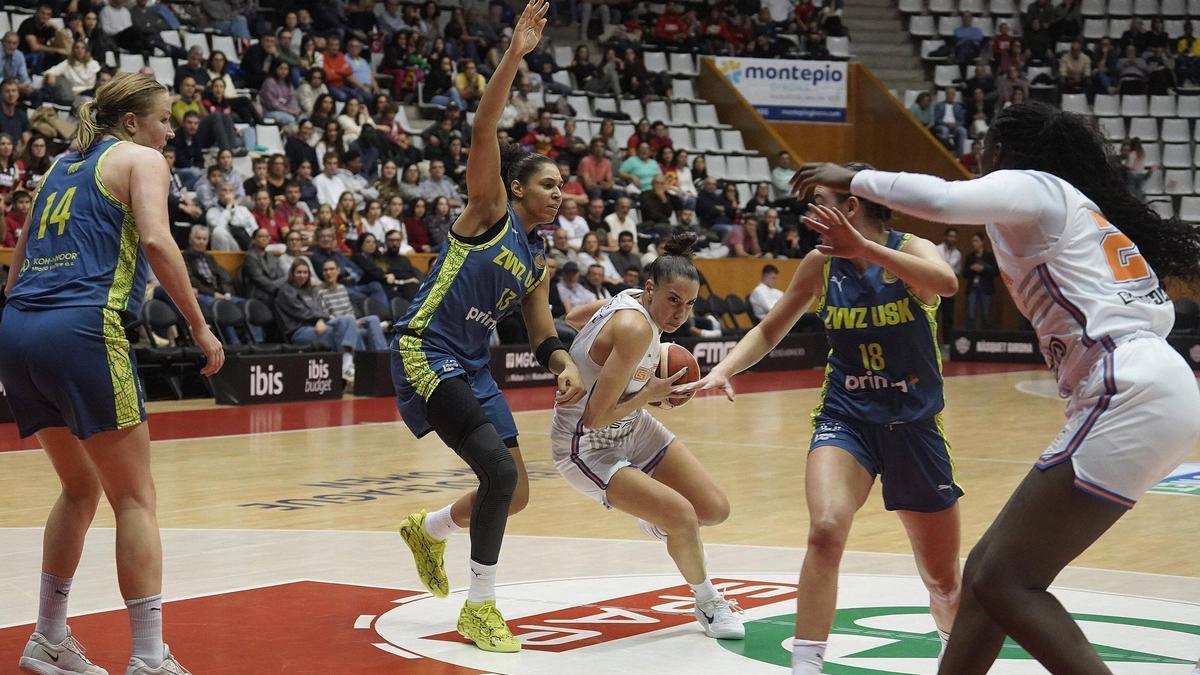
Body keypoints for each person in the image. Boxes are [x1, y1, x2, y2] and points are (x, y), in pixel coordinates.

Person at [788, 102, 1200, 675]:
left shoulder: (1037, 187)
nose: (980, 161)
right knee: (985, 578)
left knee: (1003, 579)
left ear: (1003, 154)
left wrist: (848, 175)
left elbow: (937, 201)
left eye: (985, 149)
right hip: (1155, 383)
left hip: (1125, 385)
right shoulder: (1071, 209)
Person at [684, 162, 963, 675]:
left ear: (851, 207)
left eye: (820, 201)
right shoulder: (819, 263)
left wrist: (866, 249)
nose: (808, 213)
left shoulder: (909, 249)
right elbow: (770, 330)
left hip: (914, 426)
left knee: (943, 581)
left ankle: (953, 648)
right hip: (847, 419)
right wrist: (722, 369)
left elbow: (945, 284)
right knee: (826, 528)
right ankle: (806, 666)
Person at [0, 72, 222, 675]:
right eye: (165, 120)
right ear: (132, 123)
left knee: (79, 488)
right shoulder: (140, 160)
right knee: (134, 499)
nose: (170, 131)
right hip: (80, 329)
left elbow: (18, 259)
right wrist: (200, 325)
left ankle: (47, 637)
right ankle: (150, 656)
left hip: (18, 330)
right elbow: (156, 240)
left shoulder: (57, 170)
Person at [394, 1, 585, 655]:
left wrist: (559, 361)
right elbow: (483, 128)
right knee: (499, 478)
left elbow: (540, 330)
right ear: (517, 187)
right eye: (551, 184)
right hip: (426, 349)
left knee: (516, 491)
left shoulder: (538, 257)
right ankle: (480, 610)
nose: (560, 193)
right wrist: (513, 56)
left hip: (472, 364)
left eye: (563, 186)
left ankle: (432, 528)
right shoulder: (489, 209)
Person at [552, 230, 745, 642]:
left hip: (631, 426)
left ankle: (657, 520)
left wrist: (586, 362)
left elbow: (571, 319)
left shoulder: (631, 296)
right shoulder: (635, 328)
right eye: (673, 300)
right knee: (683, 516)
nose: (680, 314)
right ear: (651, 288)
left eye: (689, 304)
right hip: (585, 444)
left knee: (713, 509)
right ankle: (709, 602)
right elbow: (595, 419)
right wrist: (648, 393)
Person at [962, 232, 997, 329]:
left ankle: (985, 339)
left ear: (982, 242)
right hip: (972, 288)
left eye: (976, 241)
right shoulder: (970, 257)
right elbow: (964, 274)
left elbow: (996, 272)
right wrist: (972, 268)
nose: (974, 243)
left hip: (986, 288)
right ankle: (970, 339)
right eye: (973, 241)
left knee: (986, 314)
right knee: (971, 314)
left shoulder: (989, 256)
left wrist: (983, 269)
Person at [936, 227, 963, 340]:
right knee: (934, 316)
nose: (952, 239)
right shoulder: (937, 249)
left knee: (948, 316)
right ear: (945, 237)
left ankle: (947, 342)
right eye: (950, 236)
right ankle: (933, 341)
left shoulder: (957, 254)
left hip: (949, 287)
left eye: (954, 237)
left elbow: (957, 271)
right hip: (936, 287)